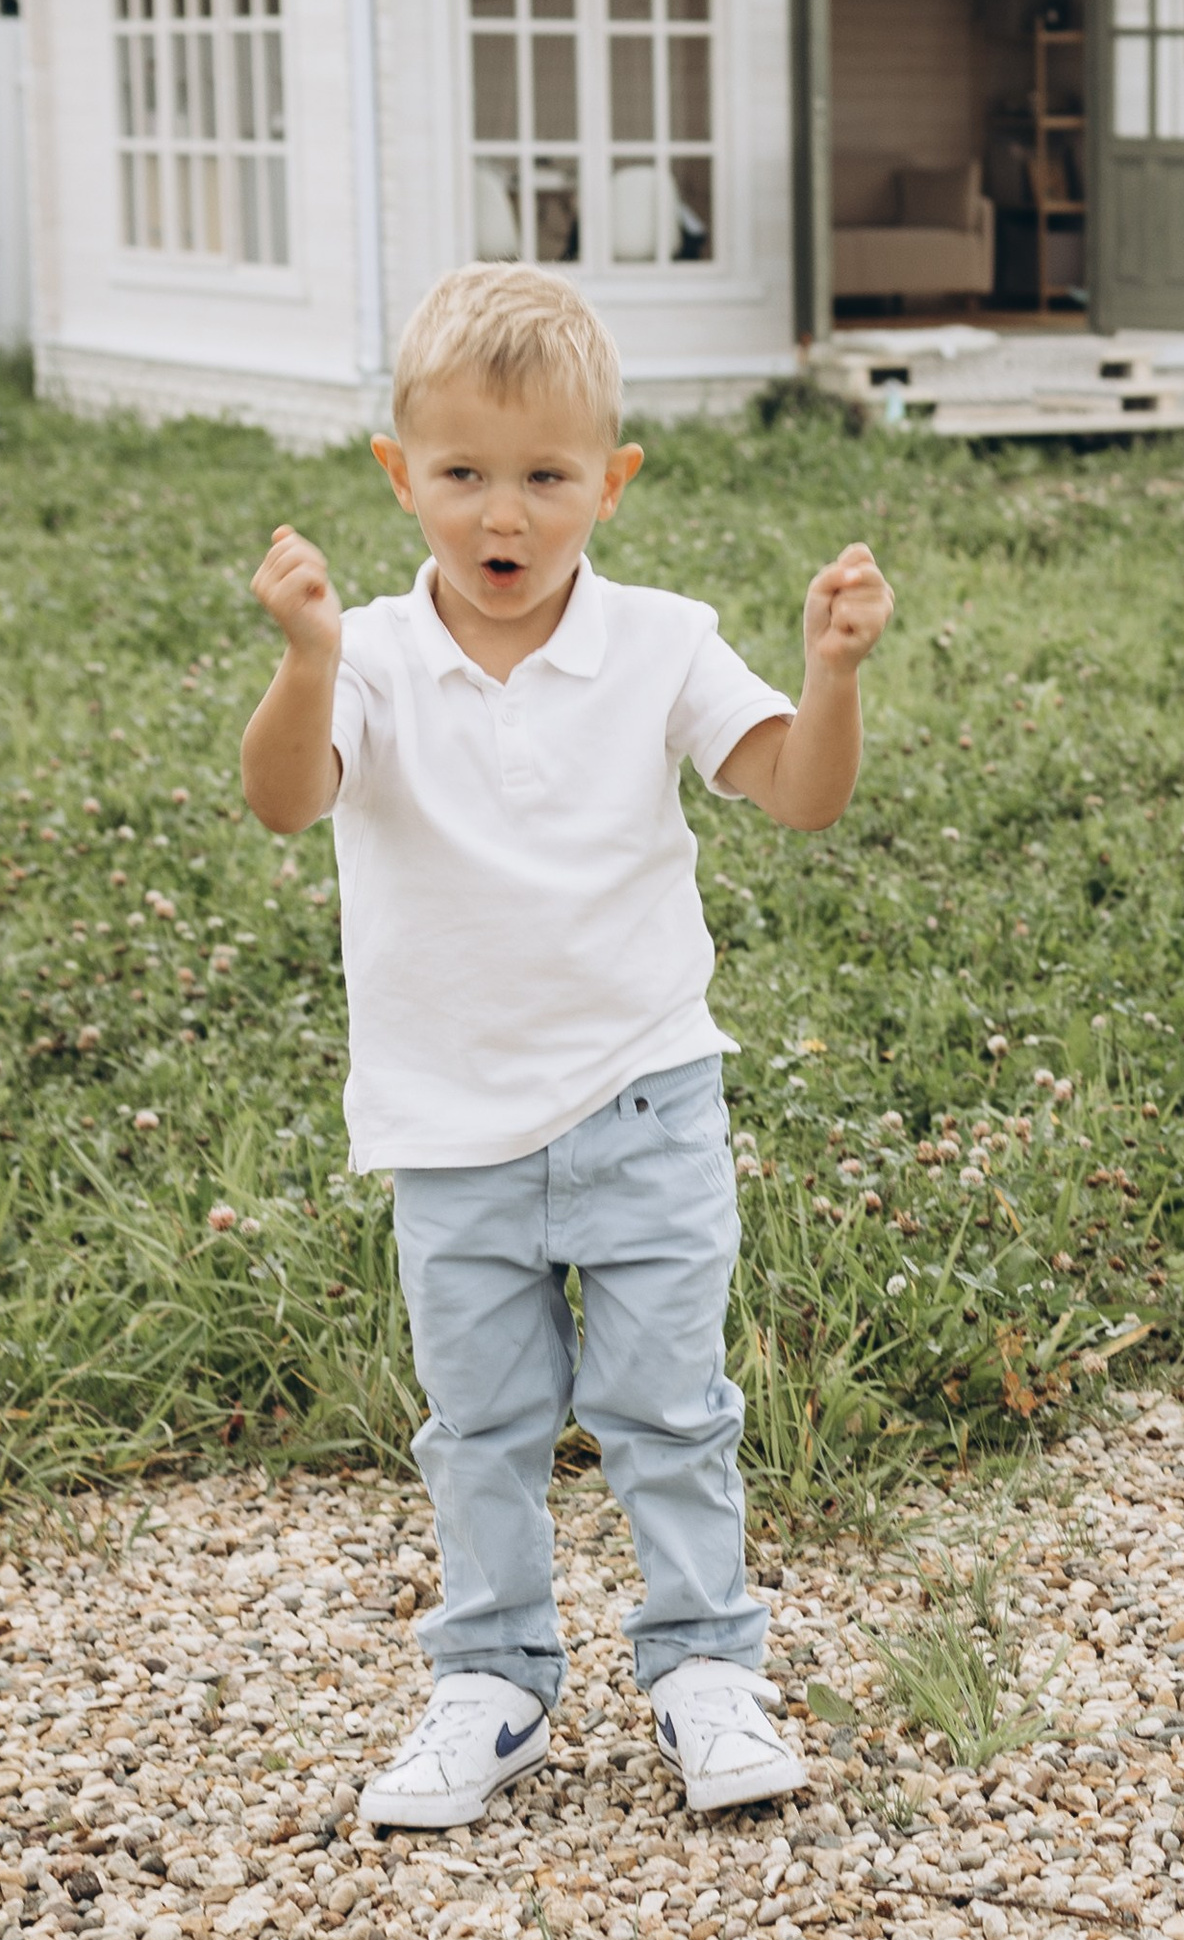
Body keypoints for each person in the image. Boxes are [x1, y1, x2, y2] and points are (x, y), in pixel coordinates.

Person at [240, 263, 892, 1827]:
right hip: (449, 1129)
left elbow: (798, 793)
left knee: (672, 1408)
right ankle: (490, 1681)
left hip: (644, 1099)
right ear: (402, 476)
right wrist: (308, 656)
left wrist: (833, 677)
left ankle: (703, 1670)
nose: (502, 514)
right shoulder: (379, 658)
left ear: (613, 479)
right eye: (462, 476)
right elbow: (284, 799)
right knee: (481, 1427)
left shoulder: (664, 641)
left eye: (545, 476)